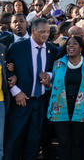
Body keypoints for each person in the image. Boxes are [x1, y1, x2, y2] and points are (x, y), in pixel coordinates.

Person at [5, 17, 59, 160]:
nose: (45, 35)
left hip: (39, 102)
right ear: (33, 31)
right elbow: (7, 70)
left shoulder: (52, 49)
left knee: (34, 141)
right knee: (15, 138)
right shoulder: (18, 47)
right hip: (20, 101)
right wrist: (16, 92)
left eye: (47, 32)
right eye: (42, 32)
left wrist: (49, 76)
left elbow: (57, 69)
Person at [47, 35, 84, 160]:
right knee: (63, 142)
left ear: (81, 48)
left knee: (78, 142)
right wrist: (47, 83)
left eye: (74, 44)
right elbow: (52, 86)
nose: (70, 46)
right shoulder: (58, 64)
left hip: (81, 108)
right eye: (68, 44)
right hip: (60, 107)